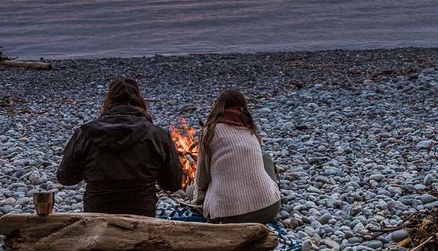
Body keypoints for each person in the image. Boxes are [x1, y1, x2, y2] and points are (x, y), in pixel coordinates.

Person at [57, 77, 182, 217]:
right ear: (139, 101)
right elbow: (173, 183)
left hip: (97, 213)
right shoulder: (157, 135)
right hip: (142, 213)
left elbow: (66, 177)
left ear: (108, 102)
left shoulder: (85, 133)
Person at [194, 89, 281, 224]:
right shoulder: (249, 129)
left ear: (217, 107)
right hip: (269, 208)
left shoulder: (208, 132)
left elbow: (201, 180)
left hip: (227, 217)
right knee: (265, 158)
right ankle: (265, 192)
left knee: (191, 191)